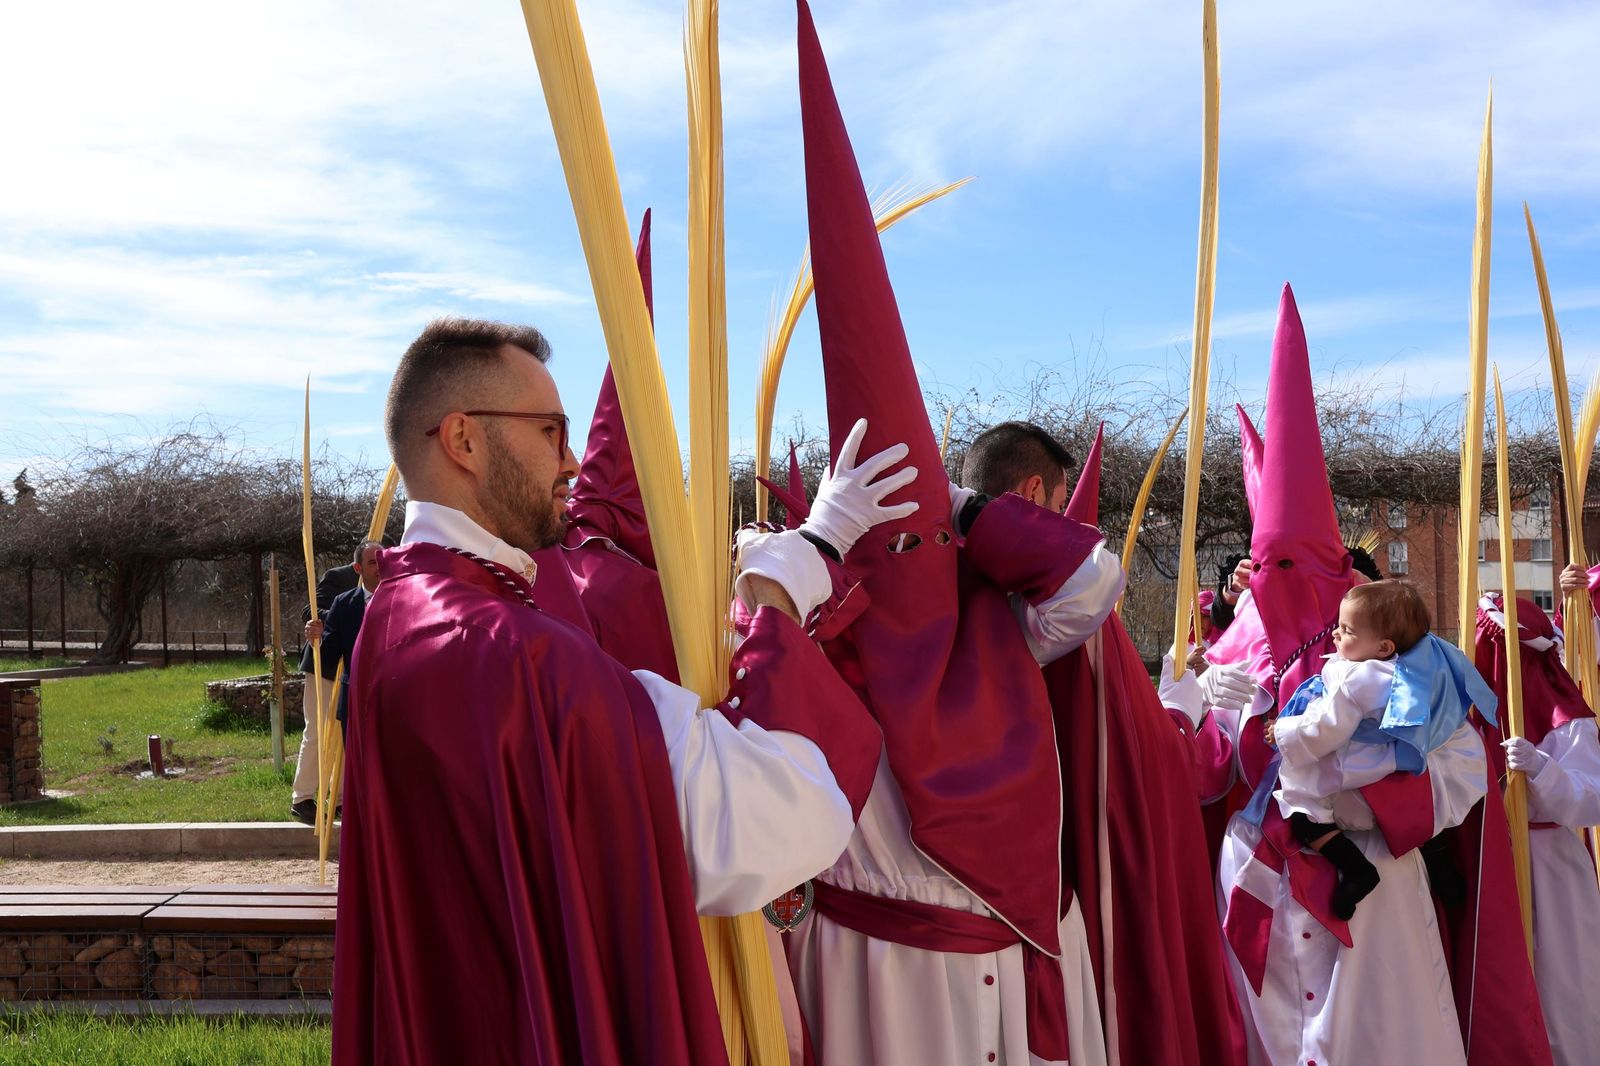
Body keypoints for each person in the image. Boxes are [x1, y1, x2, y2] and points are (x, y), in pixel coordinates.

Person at [332, 318, 907, 1065]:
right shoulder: (517, 653)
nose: (570, 461)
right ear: (463, 439)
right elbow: (760, 819)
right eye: (549, 431)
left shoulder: (395, 614)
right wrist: (781, 590)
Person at [782, 14, 1118, 1063]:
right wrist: (819, 545)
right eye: (890, 545)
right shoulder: (816, 647)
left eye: (929, 541)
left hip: (1015, 965)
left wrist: (959, 512)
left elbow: (1090, 575)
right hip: (873, 979)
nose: (913, 562)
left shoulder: (1002, 626)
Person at [964, 420, 1246, 1065]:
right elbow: (1142, 765)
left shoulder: (940, 589)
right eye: (1060, 503)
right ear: (1033, 494)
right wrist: (1182, 711)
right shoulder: (1073, 608)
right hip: (1058, 885)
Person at [1269, 581, 1475, 919]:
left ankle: (1356, 870)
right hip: (1405, 758)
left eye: (1347, 630)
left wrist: (1283, 732)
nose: (1335, 634)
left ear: (1383, 646)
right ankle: (1439, 859)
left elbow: (1327, 728)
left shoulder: (1359, 679)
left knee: (1302, 807)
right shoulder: (1413, 667)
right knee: (1413, 814)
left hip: (1361, 760)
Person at [1474, 593, 1600, 1066]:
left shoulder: (1565, 718)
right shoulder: (1465, 709)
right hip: (1488, 859)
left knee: (1561, 989)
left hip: (1549, 866)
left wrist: (1542, 769)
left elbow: (1591, 799)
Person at [289, 539, 377, 825]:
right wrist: (336, 619)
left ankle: (339, 799)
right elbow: (311, 610)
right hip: (326, 664)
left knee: (344, 734)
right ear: (358, 564)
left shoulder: (390, 585)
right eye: (372, 561)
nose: (379, 566)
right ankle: (302, 798)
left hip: (356, 670)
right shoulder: (338, 577)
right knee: (317, 730)